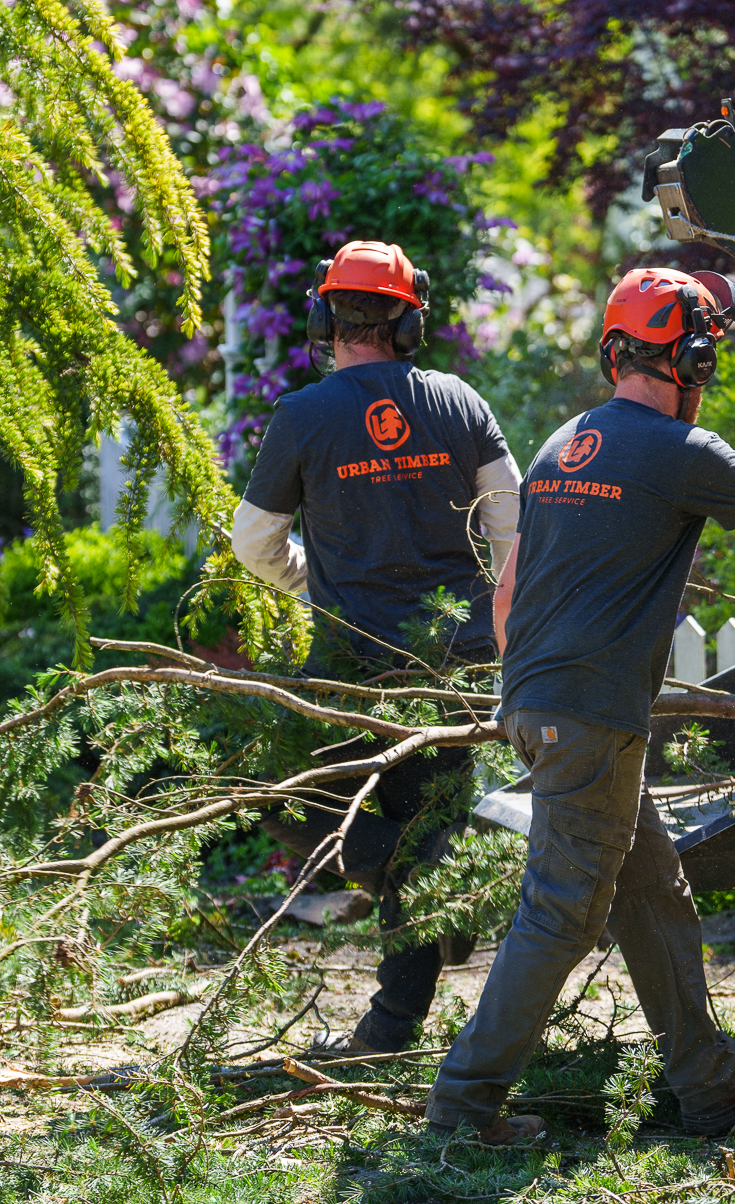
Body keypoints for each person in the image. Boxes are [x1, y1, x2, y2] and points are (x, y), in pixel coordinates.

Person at [425, 266, 735, 1143]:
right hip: (589, 716)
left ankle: (710, 1081)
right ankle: (462, 1110)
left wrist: (547, 700)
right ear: (691, 357)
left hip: (545, 705)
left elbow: (507, 600)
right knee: (562, 912)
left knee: (650, 886)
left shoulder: (562, 444)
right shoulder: (684, 451)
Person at [233, 239, 522, 1054]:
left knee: (288, 800)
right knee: (423, 830)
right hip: (454, 662)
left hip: (350, 663)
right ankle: (442, 880)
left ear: (325, 318)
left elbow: (253, 542)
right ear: (409, 320)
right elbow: (513, 528)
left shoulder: (302, 416)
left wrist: (310, 582)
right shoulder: (460, 402)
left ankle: (394, 1020)